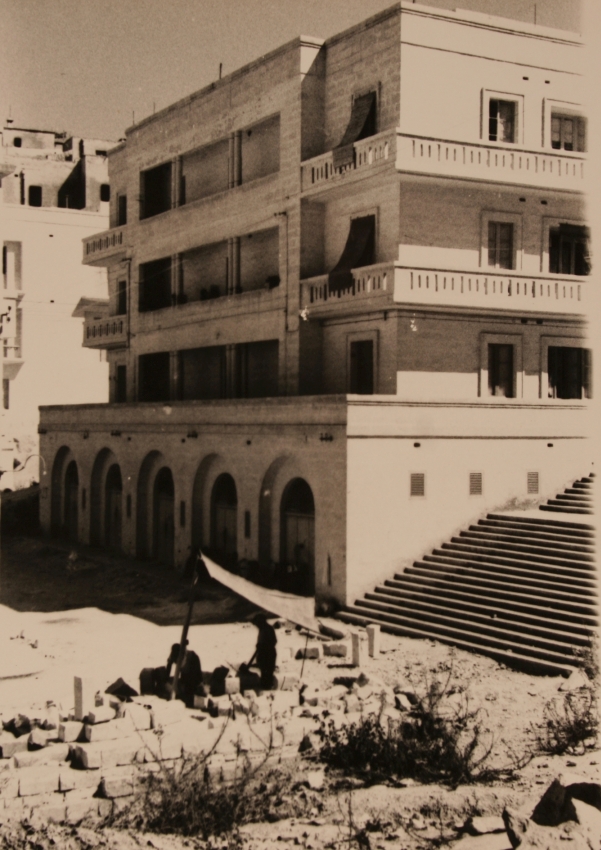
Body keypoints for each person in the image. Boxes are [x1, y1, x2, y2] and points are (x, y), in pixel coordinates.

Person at [248, 614, 277, 690]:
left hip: (269, 654)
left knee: (268, 671)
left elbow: (274, 641)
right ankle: (264, 686)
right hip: (263, 654)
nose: (256, 626)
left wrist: (263, 646)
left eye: (257, 624)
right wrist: (259, 645)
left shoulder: (268, 629)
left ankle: (267, 687)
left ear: (261, 622)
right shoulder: (262, 629)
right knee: (264, 671)